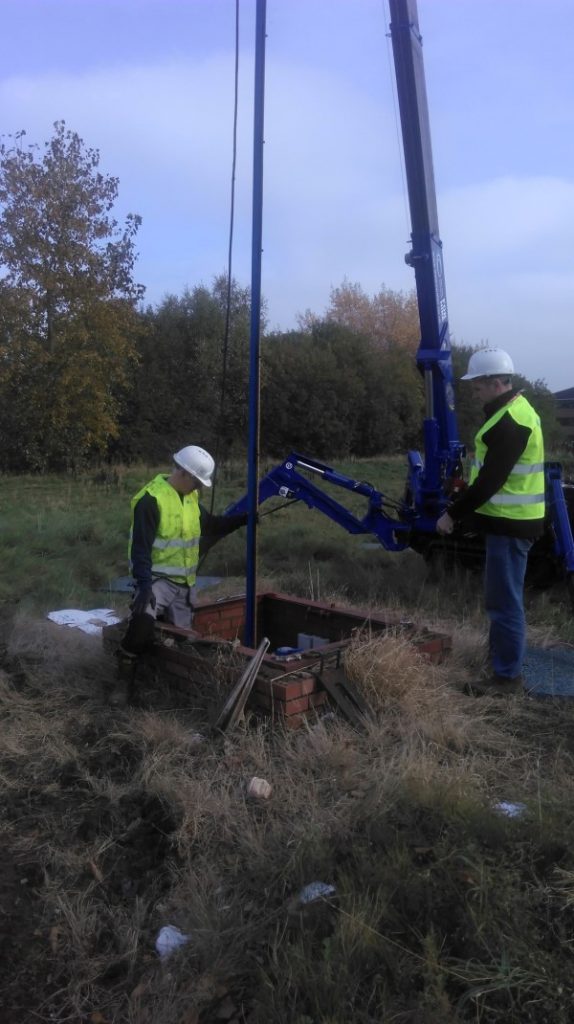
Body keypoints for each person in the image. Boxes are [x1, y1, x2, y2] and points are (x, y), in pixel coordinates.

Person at [436, 348, 545, 696]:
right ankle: (501, 666)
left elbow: (490, 482)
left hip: (511, 526)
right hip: (507, 523)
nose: (473, 391)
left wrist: (453, 513)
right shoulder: (510, 413)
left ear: (496, 382)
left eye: (478, 385)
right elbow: (490, 476)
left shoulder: (511, 421)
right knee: (500, 600)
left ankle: (506, 678)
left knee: (504, 604)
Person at [110, 445, 247, 707]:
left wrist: (243, 519)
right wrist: (145, 586)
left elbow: (211, 525)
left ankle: (170, 685)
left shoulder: (191, 498)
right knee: (142, 624)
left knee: (184, 641)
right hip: (157, 581)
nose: (199, 488)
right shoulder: (151, 500)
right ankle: (123, 679)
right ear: (184, 473)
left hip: (184, 584)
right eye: (197, 482)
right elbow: (140, 549)